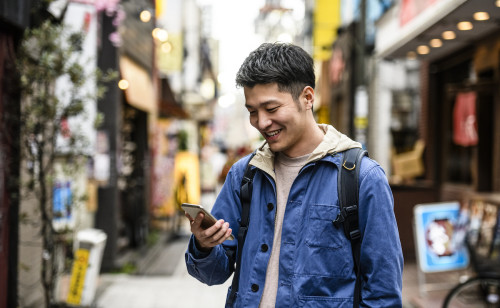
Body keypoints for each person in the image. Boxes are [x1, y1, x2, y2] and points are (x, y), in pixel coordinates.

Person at [185, 42, 403, 307]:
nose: (261, 122)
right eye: (252, 111)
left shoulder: (362, 179)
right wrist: (204, 245)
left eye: (272, 109)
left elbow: (383, 293)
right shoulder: (244, 175)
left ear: (307, 98)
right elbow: (214, 274)